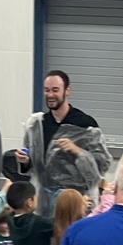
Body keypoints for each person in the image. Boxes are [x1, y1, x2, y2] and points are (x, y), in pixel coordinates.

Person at [16, 70, 111, 217]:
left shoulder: (85, 124)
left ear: (67, 90)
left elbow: (103, 164)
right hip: (44, 202)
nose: (50, 95)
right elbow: (33, 165)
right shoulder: (37, 125)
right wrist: (25, 160)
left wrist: (78, 151)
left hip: (74, 202)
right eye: (47, 90)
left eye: (55, 90)